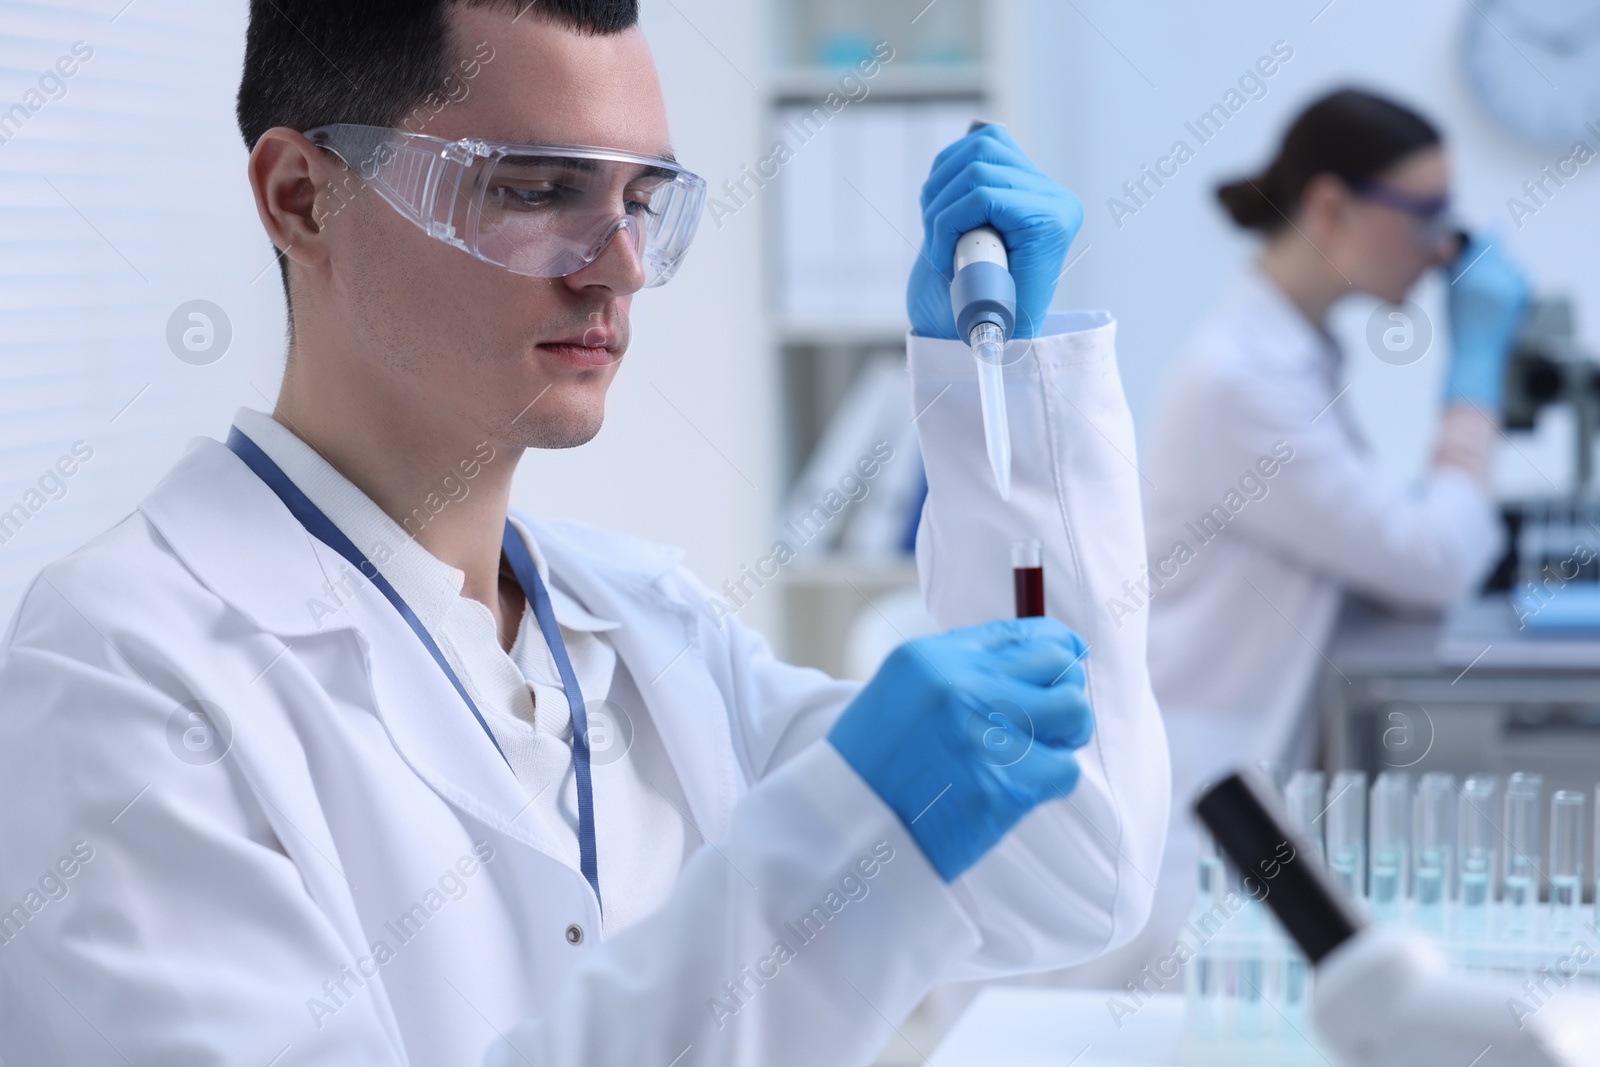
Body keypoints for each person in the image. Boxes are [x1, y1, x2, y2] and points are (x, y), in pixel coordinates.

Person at [0, 2, 1168, 1064]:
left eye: (642, 201)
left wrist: (995, 394)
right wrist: (834, 847)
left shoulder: (649, 629)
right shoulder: (119, 669)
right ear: (303, 196)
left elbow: (1068, 868)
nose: (618, 267)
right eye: (533, 189)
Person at [1091, 88, 1528, 983]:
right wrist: (1473, 378)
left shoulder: (1292, 355)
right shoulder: (1242, 382)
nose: (1443, 248)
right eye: (1426, 214)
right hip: (1180, 824)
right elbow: (1431, 562)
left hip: (1236, 795)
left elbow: (1386, 546)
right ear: (1330, 208)